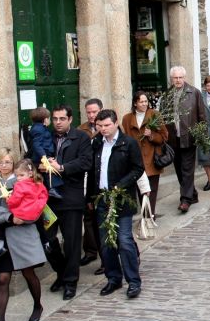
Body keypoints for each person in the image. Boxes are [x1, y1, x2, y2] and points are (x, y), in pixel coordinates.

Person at [0, 152, 48, 321]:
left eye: (8, 162)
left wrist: (23, 217)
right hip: (3, 232)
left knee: (29, 273)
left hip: (22, 233)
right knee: (2, 278)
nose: (4, 165)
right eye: (1, 161)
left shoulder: (24, 182)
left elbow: (34, 205)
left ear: (14, 165)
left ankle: (37, 305)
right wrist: (9, 217)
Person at [90, 109, 145, 298]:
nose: (103, 129)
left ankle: (134, 281)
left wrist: (120, 186)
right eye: (100, 126)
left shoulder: (128, 143)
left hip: (122, 199)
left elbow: (138, 168)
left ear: (115, 124)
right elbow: (92, 171)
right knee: (106, 243)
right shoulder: (96, 143)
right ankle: (113, 278)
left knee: (124, 240)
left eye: (106, 125)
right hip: (102, 199)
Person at [44, 104, 92, 300]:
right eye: (55, 119)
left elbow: (85, 162)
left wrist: (62, 167)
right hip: (48, 199)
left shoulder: (80, 138)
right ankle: (62, 272)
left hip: (71, 197)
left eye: (62, 119)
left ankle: (70, 281)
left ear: (70, 119)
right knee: (46, 239)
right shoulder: (46, 137)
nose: (58, 123)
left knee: (71, 242)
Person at [164, 66, 207, 213]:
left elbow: (202, 115)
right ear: (171, 79)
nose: (178, 80)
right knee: (179, 169)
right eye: (175, 78)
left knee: (187, 169)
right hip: (173, 138)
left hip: (189, 136)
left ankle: (185, 200)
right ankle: (192, 194)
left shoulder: (194, 92)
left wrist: (202, 135)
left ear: (184, 77)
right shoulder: (167, 95)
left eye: (180, 77)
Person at [121, 90, 169, 214]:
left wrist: (151, 135)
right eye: (141, 102)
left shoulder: (155, 114)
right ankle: (146, 215)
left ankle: (149, 217)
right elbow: (124, 138)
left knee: (151, 191)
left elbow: (164, 137)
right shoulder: (127, 118)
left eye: (146, 101)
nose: (144, 104)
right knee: (141, 191)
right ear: (135, 103)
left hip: (152, 159)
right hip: (136, 161)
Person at [78, 98, 103, 268]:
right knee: (88, 217)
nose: (92, 115)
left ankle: (105, 256)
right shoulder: (81, 130)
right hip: (87, 178)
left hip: (103, 178)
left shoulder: (108, 128)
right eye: (89, 112)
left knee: (102, 219)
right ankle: (90, 251)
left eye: (94, 112)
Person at [27, 106, 62, 199]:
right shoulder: (39, 130)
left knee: (48, 172)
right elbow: (37, 145)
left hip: (43, 155)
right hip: (40, 157)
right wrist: (44, 157)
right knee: (49, 171)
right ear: (45, 119)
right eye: (50, 118)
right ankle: (52, 189)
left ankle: (51, 189)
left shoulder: (39, 128)